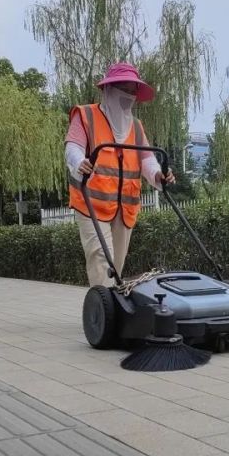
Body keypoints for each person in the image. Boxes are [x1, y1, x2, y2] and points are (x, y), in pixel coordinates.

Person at [64, 62, 174, 288]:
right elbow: (72, 148)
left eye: (132, 91)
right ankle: (105, 308)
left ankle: (110, 303)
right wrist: (80, 162)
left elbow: (146, 159)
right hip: (91, 203)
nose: (128, 95)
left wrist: (158, 176)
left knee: (116, 265)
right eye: (124, 88)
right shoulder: (86, 115)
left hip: (125, 207)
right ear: (109, 89)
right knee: (101, 258)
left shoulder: (136, 126)